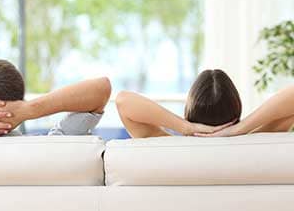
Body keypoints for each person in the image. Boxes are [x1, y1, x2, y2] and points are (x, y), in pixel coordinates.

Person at [115, 69, 294, 138]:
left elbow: (123, 100)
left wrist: (185, 127)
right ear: (237, 108)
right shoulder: (261, 141)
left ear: (188, 111)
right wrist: (240, 129)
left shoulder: (165, 146)